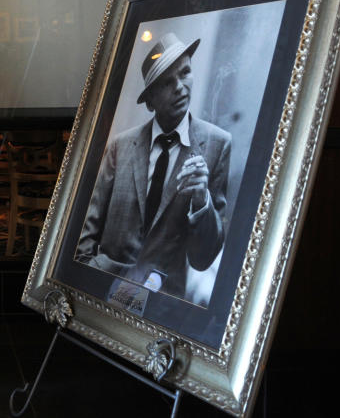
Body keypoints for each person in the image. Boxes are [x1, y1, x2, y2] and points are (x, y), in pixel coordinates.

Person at [76, 32, 230, 299]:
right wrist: (89, 277)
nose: (180, 87)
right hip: (106, 287)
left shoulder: (217, 144)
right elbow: (88, 230)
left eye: (185, 73)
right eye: (167, 82)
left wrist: (201, 199)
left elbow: (203, 259)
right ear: (150, 101)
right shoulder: (120, 146)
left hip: (164, 301)